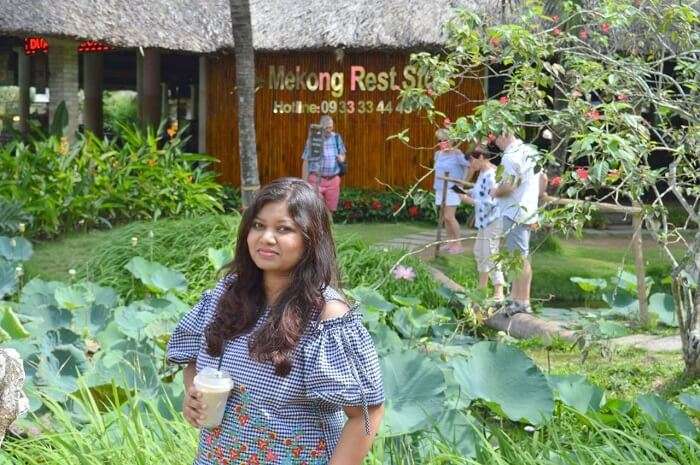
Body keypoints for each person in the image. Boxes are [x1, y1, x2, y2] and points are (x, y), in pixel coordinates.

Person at [167, 178, 384, 465]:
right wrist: (192, 396)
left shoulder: (327, 317)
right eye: (258, 225)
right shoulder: (227, 294)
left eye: (283, 229)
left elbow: (368, 414)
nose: (266, 237)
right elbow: (195, 359)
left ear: (311, 239)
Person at [490, 132, 547, 315]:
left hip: (513, 212)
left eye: (496, 138)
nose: (496, 143)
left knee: (518, 258)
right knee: (520, 256)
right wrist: (534, 198)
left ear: (504, 135)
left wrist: (495, 192)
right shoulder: (530, 151)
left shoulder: (509, 157)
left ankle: (522, 301)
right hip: (528, 211)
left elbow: (510, 186)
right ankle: (516, 298)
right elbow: (543, 179)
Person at [458, 145, 505, 301]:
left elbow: (490, 203)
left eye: (472, 160)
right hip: (484, 221)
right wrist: (467, 192)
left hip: (493, 220)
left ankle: (499, 292)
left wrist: (468, 200)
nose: (470, 165)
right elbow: (481, 192)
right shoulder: (482, 173)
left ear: (481, 157)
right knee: (480, 251)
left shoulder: (492, 175)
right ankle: (482, 288)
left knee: (491, 253)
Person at [433, 128, 471, 254]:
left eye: (445, 140)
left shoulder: (457, 153)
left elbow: (470, 166)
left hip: (453, 188)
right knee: (445, 217)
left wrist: (462, 183)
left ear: (452, 140)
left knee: (450, 216)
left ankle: (458, 243)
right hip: (440, 188)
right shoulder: (438, 154)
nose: (443, 143)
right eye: (440, 140)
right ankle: (450, 242)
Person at [301, 115, 346, 212]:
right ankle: (318, 226)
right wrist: (304, 182)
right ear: (321, 126)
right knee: (316, 209)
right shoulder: (313, 140)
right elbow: (305, 161)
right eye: (326, 127)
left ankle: (328, 226)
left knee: (330, 210)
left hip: (333, 180)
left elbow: (342, 154)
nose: (329, 130)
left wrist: (341, 158)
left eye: (331, 127)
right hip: (316, 180)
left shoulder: (337, 138)